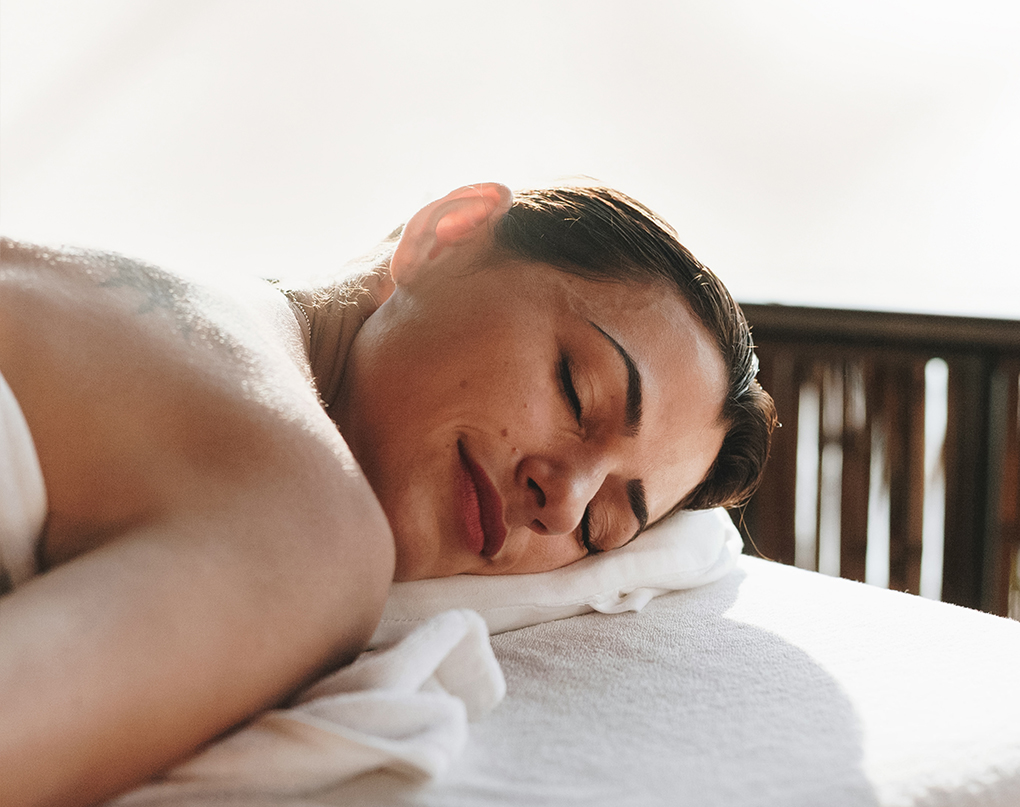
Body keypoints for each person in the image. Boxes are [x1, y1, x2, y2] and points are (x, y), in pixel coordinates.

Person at [0, 182, 776, 806]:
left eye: (602, 528)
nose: (564, 500)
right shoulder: (315, 524)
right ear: (446, 235)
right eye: (579, 389)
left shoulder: (123, 284)